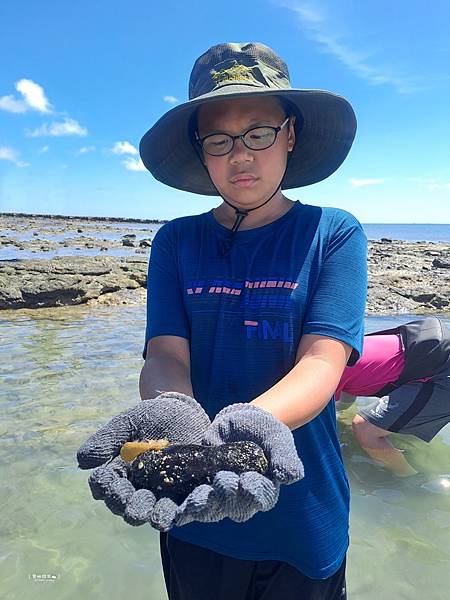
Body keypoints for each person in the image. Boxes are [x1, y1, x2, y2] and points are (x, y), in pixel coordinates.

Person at [78, 42, 367, 600]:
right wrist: (176, 416)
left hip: (304, 518)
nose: (241, 156)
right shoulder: (176, 242)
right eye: (219, 140)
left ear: (289, 135)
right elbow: (165, 354)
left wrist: (239, 432)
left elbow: (322, 361)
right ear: (202, 153)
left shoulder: (334, 233)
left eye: (258, 133)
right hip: (193, 509)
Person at [335, 316, 450, 476]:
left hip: (441, 378)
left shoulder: (317, 373)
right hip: (429, 358)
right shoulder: (335, 347)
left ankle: (410, 482)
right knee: (377, 425)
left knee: (365, 429)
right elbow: (346, 397)